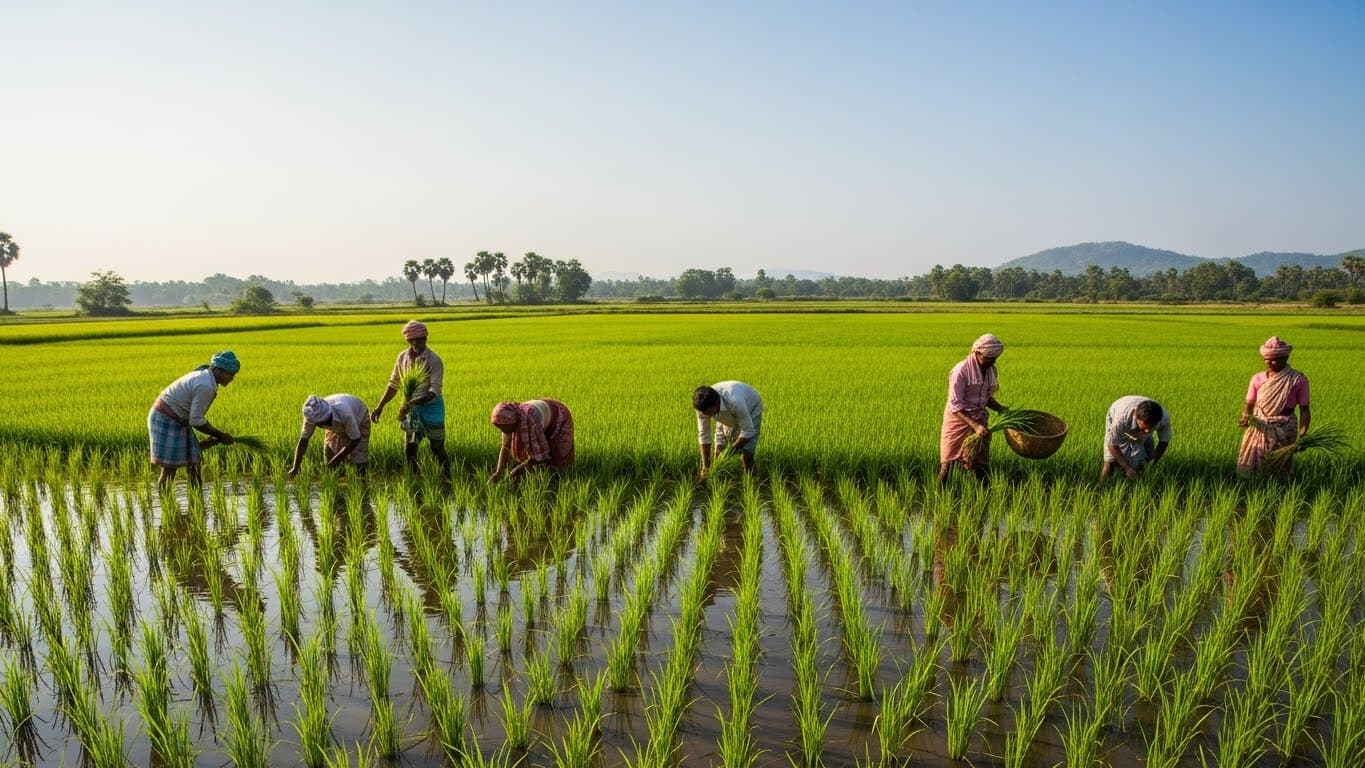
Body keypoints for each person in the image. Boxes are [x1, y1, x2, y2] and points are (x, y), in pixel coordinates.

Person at [148, 351, 239, 489]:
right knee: (170, 467)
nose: (231, 378)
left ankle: (197, 498)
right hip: (166, 418)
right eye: (230, 374)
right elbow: (195, 420)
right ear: (219, 370)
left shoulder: (206, 376)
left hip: (178, 418)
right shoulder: (206, 385)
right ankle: (164, 502)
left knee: (193, 459)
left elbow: (194, 417)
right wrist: (220, 435)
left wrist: (215, 437)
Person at [371, 320, 450, 475]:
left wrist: (411, 403)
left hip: (432, 408)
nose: (416, 343)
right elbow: (393, 384)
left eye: (420, 339)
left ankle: (448, 477)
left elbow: (434, 390)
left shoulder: (434, 360)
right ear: (407, 340)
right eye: (412, 340)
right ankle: (414, 478)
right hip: (411, 409)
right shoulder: (402, 358)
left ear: (425, 338)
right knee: (410, 447)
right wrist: (380, 406)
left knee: (437, 447)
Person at [938, 334, 1007, 486]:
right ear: (977, 353)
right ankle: (937, 497)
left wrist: (1000, 408)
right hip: (958, 422)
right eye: (989, 357)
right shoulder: (960, 371)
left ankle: (985, 498)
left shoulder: (990, 371)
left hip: (980, 421)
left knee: (980, 464)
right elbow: (954, 404)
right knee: (948, 464)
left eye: (995, 358)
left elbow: (985, 397)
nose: (993, 361)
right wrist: (975, 426)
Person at [1237, 336, 1310, 478]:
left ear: (1286, 358)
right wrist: (1245, 417)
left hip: (1285, 426)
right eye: (1267, 359)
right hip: (1259, 424)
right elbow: (1249, 404)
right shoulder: (1257, 378)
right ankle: (1253, 489)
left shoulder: (1298, 379)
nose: (1270, 362)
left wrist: (1302, 435)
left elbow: (1305, 410)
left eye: (1274, 359)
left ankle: (1279, 490)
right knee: (1253, 463)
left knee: (1279, 465)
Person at [488, 399, 575, 481]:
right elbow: (505, 446)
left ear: (513, 422)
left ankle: (559, 481)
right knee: (535, 461)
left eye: (503, 428)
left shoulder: (529, 422)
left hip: (558, 416)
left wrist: (517, 470)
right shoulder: (507, 421)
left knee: (557, 457)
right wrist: (498, 472)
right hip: (542, 414)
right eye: (500, 428)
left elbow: (540, 457)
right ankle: (540, 477)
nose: (503, 430)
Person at [288, 394, 371, 477]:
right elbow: (303, 442)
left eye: (322, 423)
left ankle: (362, 482)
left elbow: (355, 439)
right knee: (330, 454)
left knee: (359, 459)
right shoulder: (312, 416)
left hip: (359, 419)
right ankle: (337, 483)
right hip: (338, 424)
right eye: (318, 424)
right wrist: (295, 467)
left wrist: (336, 460)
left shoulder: (345, 413)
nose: (320, 426)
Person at [693, 381, 763, 477]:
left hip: (751, 407)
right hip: (724, 411)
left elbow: (748, 430)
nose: (707, 416)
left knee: (746, 456)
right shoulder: (702, 407)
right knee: (718, 452)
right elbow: (704, 435)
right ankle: (717, 481)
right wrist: (705, 467)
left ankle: (752, 482)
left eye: (709, 412)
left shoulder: (735, 402)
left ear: (717, 404)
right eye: (705, 413)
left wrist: (730, 451)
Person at [1100, 396, 1172, 479]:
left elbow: (1164, 441)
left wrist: (1153, 461)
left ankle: (1139, 483)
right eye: (1143, 428)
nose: (1147, 431)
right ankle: (1101, 487)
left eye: (1151, 428)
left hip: (1140, 421)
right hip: (1117, 412)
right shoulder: (1120, 420)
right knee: (1109, 461)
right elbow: (1112, 445)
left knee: (1146, 459)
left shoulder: (1163, 418)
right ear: (1136, 417)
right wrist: (1126, 467)